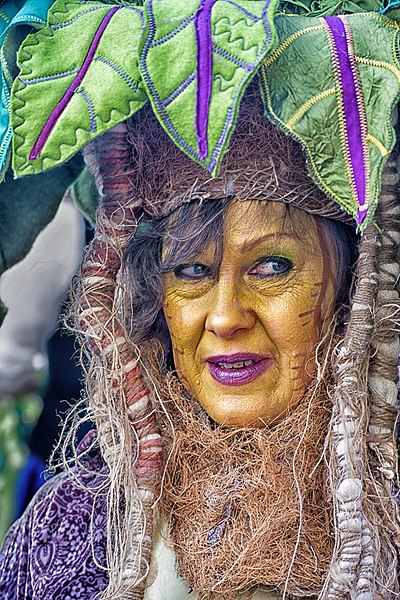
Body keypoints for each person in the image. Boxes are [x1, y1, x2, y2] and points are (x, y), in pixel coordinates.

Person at [0, 1, 399, 598]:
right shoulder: (76, 528)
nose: (224, 318)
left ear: (353, 290)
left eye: (272, 266)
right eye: (191, 270)